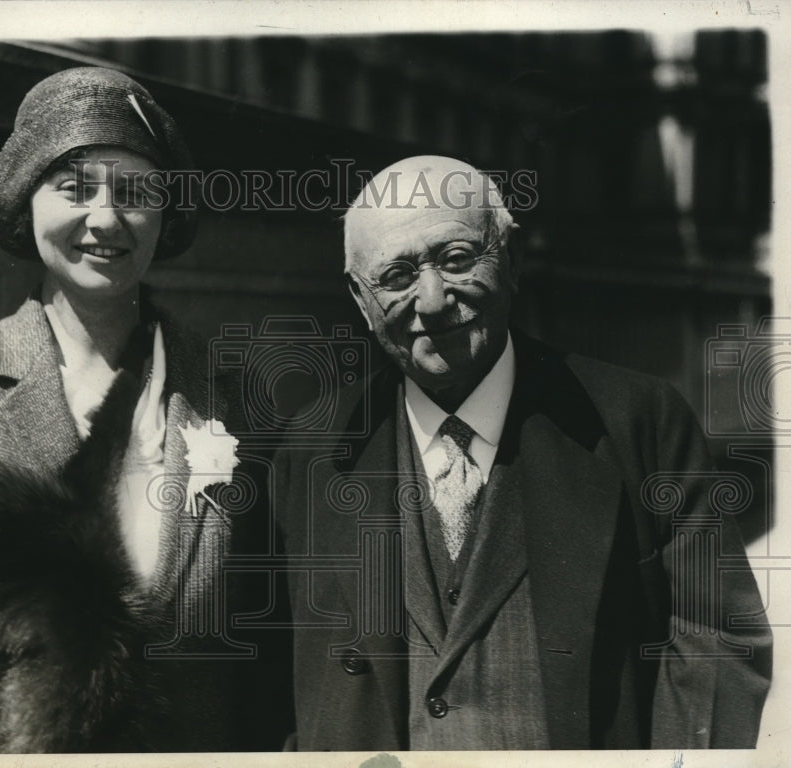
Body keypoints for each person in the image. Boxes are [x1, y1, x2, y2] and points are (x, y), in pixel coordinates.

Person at [0, 67, 290, 754]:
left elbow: (268, 656)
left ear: (165, 216)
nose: (106, 218)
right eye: (75, 188)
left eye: (137, 192)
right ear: (26, 202)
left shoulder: (229, 393)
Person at [274, 155, 772, 750]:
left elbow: (718, 640)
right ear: (360, 299)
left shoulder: (639, 422)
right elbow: (276, 685)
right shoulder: (313, 449)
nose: (432, 300)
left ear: (511, 259)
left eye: (456, 260)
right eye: (397, 277)